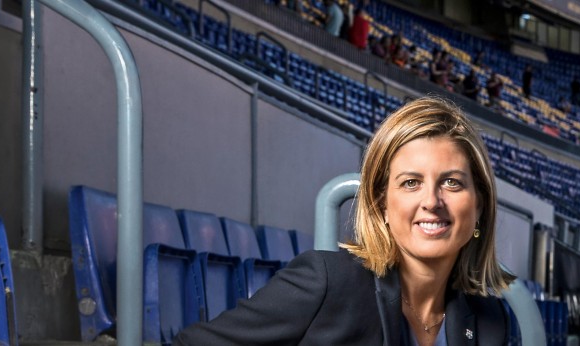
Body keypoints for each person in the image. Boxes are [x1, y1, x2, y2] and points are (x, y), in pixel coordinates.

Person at [174, 97, 515, 345]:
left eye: (451, 182)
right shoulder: (328, 281)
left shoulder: (492, 323)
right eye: (411, 183)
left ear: (480, 205)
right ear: (382, 204)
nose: (431, 201)